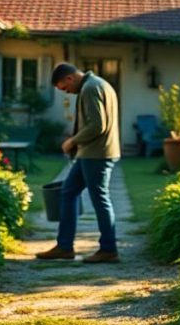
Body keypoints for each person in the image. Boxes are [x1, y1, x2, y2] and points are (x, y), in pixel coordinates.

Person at [35, 62, 121, 263]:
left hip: (96, 154)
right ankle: (64, 247)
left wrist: (73, 140)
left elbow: (98, 125)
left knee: (100, 199)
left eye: (65, 88)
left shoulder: (90, 88)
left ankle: (109, 249)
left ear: (69, 78)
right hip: (90, 153)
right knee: (68, 192)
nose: (67, 93)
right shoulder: (99, 84)